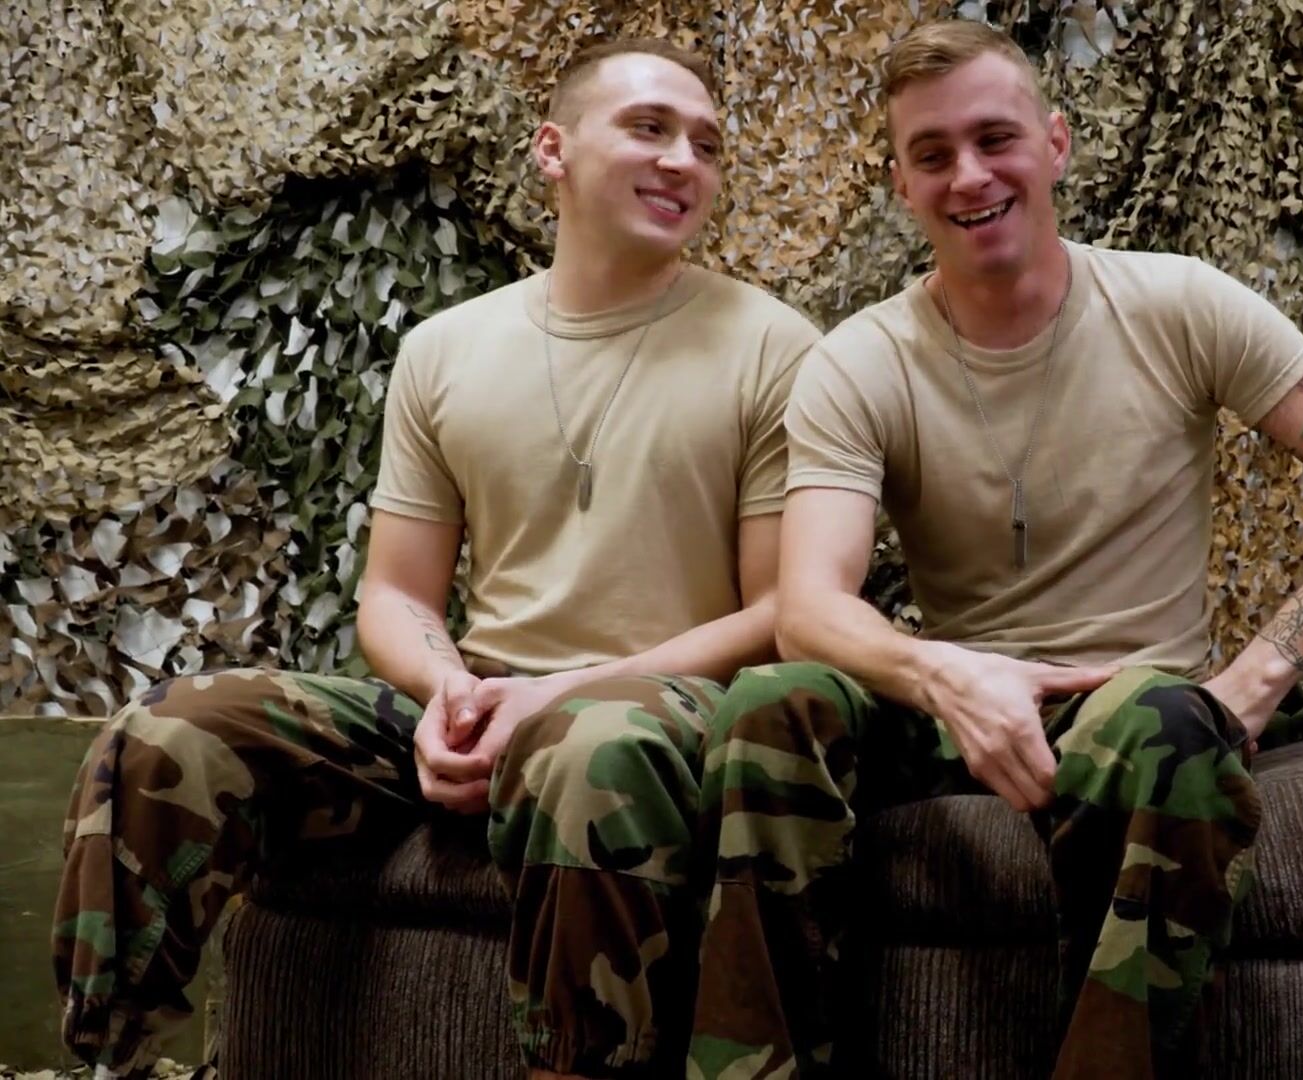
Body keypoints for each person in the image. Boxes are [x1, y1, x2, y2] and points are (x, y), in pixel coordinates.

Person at [684, 18, 1303, 1080]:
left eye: (995, 139)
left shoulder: (1178, 304)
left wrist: (1251, 685)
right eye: (932, 154)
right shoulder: (861, 361)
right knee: (772, 700)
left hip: (1127, 704)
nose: (969, 175)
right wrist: (947, 677)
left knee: (1171, 722)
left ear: (1055, 144)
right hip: (949, 709)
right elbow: (810, 608)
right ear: (902, 185)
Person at [51, 37, 820, 1080]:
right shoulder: (447, 349)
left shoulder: (775, 346)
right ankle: (115, 1060)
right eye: (649, 128)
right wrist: (448, 692)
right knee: (171, 729)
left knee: (589, 748)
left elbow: (780, 613)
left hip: (662, 710)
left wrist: (557, 695)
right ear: (552, 149)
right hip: (485, 696)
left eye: (707, 144)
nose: (684, 160)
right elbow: (396, 593)